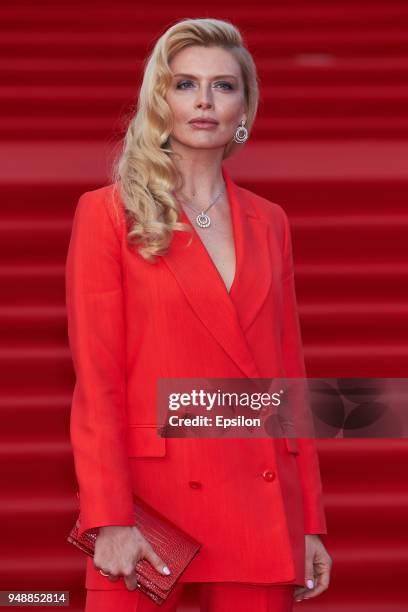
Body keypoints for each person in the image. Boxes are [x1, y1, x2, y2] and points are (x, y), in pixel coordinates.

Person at [65, 17, 332, 612]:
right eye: (185, 84)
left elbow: (289, 376)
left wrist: (308, 519)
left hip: (259, 502)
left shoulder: (271, 222)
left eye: (224, 86)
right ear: (160, 100)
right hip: (146, 506)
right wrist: (107, 514)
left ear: (245, 108)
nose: (205, 101)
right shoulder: (109, 214)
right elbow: (97, 379)